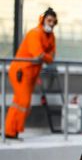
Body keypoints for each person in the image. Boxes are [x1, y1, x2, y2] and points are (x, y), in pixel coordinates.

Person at [5, 8, 57, 139]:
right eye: (49, 20)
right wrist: (47, 57)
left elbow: (51, 55)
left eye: (53, 21)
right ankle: (10, 131)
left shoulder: (50, 37)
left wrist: (46, 57)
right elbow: (38, 54)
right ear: (43, 19)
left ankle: (13, 131)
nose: (51, 24)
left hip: (32, 73)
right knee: (23, 102)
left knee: (20, 102)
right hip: (21, 71)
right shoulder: (34, 33)